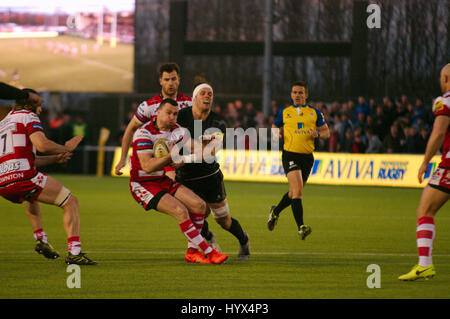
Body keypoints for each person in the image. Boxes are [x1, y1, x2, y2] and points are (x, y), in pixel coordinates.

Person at [0, 89, 96, 265]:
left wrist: (54, 159)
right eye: (39, 104)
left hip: (3, 183)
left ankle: (41, 239)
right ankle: (74, 252)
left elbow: (29, 158)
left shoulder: (4, 122)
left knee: (31, 197)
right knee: (70, 201)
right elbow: (42, 144)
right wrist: (66, 147)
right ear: (30, 104)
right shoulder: (28, 116)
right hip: (23, 177)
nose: (41, 109)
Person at [128, 98, 228, 264]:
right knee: (181, 211)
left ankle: (192, 252)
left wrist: (207, 145)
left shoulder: (178, 131)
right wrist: (172, 156)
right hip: (143, 184)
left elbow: (201, 152)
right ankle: (209, 252)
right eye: (169, 113)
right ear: (158, 113)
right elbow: (147, 166)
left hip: (162, 180)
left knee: (200, 206)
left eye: (175, 114)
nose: (173, 117)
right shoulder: (143, 133)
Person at [176, 82, 250, 260]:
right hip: (185, 178)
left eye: (210, 93)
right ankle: (209, 239)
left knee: (224, 221)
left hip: (209, 177)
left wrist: (183, 158)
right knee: (193, 213)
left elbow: (210, 153)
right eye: (203, 93)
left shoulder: (218, 122)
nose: (207, 96)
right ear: (194, 98)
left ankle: (243, 239)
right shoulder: (180, 116)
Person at [398, 63, 450, 281]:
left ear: (446, 77)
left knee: (425, 209)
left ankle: (425, 264)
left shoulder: (445, 100)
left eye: (441, 76)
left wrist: (425, 162)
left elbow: (438, 133)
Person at [267, 81, 330, 239]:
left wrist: (318, 134)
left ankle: (275, 212)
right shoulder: (285, 112)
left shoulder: (314, 113)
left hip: (307, 158)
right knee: (298, 192)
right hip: (290, 155)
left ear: (306, 95)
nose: (297, 95)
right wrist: (277, 135)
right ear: (291, 94)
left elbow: (326, 133)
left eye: (300, 93)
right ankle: (301, 227)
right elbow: (274, 127)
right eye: (294, 92)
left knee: (293, 192)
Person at [114, 62, 192, 178]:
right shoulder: (149, 106)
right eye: (166, 80)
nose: (170, 83)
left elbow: (198, 129)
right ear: (160, 81)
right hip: (162, 160)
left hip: (184, 158)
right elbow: (130, 129)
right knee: (173, 186)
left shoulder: (190, 104)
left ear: (178, 80)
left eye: (173, 79)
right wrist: (122, 159)